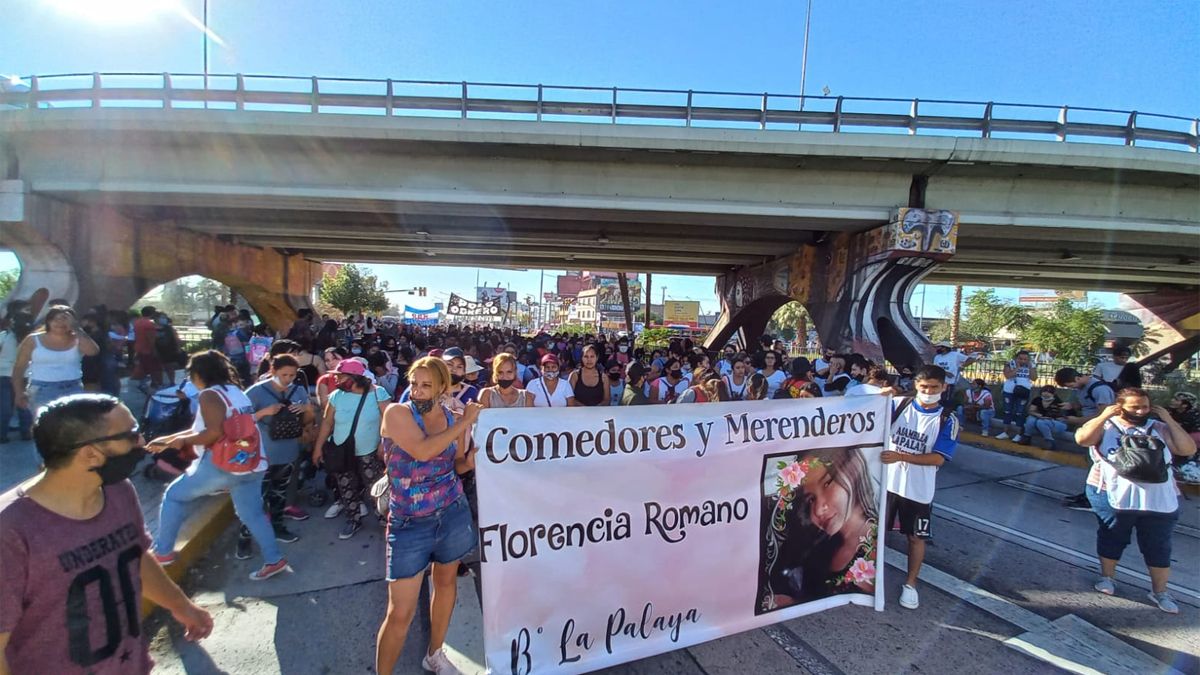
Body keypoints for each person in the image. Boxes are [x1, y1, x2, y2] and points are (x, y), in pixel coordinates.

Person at [0, 394, 213, 673]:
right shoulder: (11, 530)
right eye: (132, 434)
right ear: (90, 453)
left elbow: (134, 556)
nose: (142, 442)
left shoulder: (118, 490)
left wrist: (181, 606)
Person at [376, 357, 481, 675]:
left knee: (446, 585)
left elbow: (456, 465)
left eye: (427, 386)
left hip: (451, 514)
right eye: (413, 384)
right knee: (400, 613)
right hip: (409, 524)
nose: (418, 392)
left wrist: (472, 460)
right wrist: (465, 423)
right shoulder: (397, 413)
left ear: (442, 388)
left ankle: (434, 654)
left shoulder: (452, 417)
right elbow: (423, 450)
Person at [148, 350, 293, 581]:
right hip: (252, 464)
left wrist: (182, 441)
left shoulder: (209, 395)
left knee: (175, 496)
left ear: (198, 373)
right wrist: (168, 440)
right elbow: (210, 428)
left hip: (223, 466)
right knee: (253, 514)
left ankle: (163, 551)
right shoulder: (236, 392)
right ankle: (274, 560)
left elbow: (213, 433)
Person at [1075, 388, 1196, 613]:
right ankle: (1107, 578)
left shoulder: (1158, 428)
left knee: (1158, 544)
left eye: (1145, 407)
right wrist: (1103, 416)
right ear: (1120, 407)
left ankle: (1160, 591)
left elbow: (1187, 448)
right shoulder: (1107, 427)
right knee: (1112, 536)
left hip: (1159, 499)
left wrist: (1168, 419)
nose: (1141, 411)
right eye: (1135, 407)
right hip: (1112, 494)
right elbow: (1083, 439)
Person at [881, 364, 959, 610]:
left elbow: (938, 458)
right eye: (924, 386)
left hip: (918, 490)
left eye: (934, 387)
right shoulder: (898, 405)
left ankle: (911, 584)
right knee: (875, 532)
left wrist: (901, 457)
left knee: (915, 537)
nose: (928, 391)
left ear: (943, 388)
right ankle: (867, 576)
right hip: (886, 482)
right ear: (916, 385)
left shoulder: (947, 419)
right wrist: (878, 394)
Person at [760, 448, 878, 609]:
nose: (818, 509)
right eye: (811, 499)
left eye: (827, 483)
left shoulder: (874, 546)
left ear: (852, 472)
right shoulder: (820, 543)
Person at [241, 354, 314, 556]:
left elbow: (309, 420)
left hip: (287, 452)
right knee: (256, 500)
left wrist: (306, 409)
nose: (288, 379)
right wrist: (264, 412)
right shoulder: (256, 392)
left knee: (279, 495)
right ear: (273, 371)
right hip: (261, 455)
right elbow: (239, 421)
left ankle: (278, 527)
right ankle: (244, 540)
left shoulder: (298, 390)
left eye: (292, 375)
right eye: (284, 374)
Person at [314, 359, 391, 540]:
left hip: (369, 451)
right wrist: (318, 448)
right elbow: (327, 423)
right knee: (346, 486)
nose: (337, 380)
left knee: (376, 487)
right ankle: (353, 519)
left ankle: (384, 518)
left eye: (341, 377)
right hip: (342, 451)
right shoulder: (337, 396)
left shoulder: (377, 394)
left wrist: (384, 443)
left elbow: (389, 421)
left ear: (355, 378)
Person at [11, 305, 100, 415]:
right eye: (56, 319)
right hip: (41, 390)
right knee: (46, 428)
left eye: (65, 319)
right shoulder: (33, 339)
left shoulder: (78, 338)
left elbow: (93, 351)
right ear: (48, 321)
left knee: (72, 427)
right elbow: (19, 367)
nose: (60, 323)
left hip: (73, 388)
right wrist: (19, 392)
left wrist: (76, 329)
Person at [0, 303, 34, 443]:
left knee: (5, 406)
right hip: (24, 375)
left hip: (4, 374)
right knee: (24, 405)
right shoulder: (33, 338)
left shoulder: (4, 336)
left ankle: (2, 434)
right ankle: (26, 432)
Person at [996, 350, 1036, 442]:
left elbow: (1034, 378)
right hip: (1009, 390)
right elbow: (1008, 375)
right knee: (1007, 411)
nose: (1022, 361)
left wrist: (1030, 368)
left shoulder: (1031, 365)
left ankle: (1018, 434)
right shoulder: (1010, 364)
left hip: (1023, 391)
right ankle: (1005, 432)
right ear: (1016, 358)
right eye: (1020, 359)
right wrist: (1017, 368)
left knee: (1020, 412)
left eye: (1025, 359)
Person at [932, 341, 977, 406]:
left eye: (938, 347)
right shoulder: (937, 357)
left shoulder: (955, 355)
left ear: (944, 348)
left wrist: (963, 366)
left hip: (951, 382)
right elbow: (936, 368)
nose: (937, 349)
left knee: (947, 400)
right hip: (940, 381)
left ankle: (946, 413)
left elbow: (971, 359)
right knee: (939, 400)